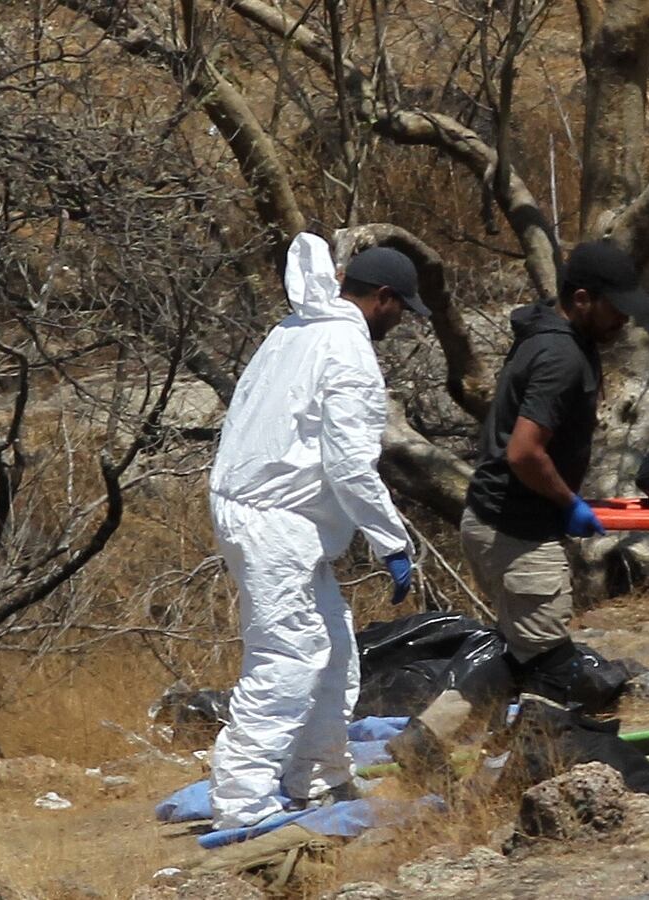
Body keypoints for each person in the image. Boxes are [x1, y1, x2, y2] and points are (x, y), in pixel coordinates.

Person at [207, 234, 427, 829]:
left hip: (264, 512)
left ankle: (319, 773)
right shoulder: (347, 351)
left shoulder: (294, 331)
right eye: (401, 309)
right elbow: (349, 465)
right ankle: (241, 800)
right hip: (275, 521)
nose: (399, 321)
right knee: (289, 656)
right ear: (384, 298)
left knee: (333, 647)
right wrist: (391, 542)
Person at [460, 239, 649, 701]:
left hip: (496, 521)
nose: (624, 318)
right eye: (616, 307)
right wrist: (568, 502)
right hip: (517, 533)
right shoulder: (561, 356)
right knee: (552, 675)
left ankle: (426, 738)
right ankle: (539, 751)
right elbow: (524, 452)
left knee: (522, 660)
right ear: (582, 299)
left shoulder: (549, 335)